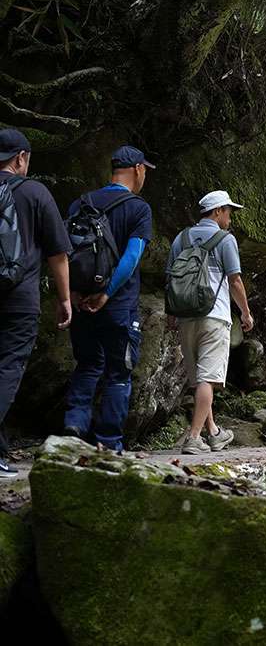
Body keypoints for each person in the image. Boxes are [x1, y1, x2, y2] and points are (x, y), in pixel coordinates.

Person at [63, 145, 154, 451]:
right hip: (118, 305)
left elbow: (65, 252)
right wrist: (107, 292)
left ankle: (74, 427)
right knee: (119, 371)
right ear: (138, 169)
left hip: (80, 300)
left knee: (87, 364)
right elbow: (131, 257)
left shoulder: (81, 202)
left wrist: (72, 291)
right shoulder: (139, 208)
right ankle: (109, 442)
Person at [0, 129, 72, 478]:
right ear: (21, 158)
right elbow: (58, 254)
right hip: (19, 299)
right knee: (8, 370)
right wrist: (64, 299)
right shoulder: (35, 192)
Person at [167, 191, 253, 454]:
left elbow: (170, 278)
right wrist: (246, 313)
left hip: (186, 317)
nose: (229, 217)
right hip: (214, 317)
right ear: (217, 212)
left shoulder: (181, 238)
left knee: (200, 380)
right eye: (228, 212)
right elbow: (235, 280)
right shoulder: (225, 240)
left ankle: (213, 433)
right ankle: (194, 438)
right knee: (208, 379)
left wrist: (172, 314)